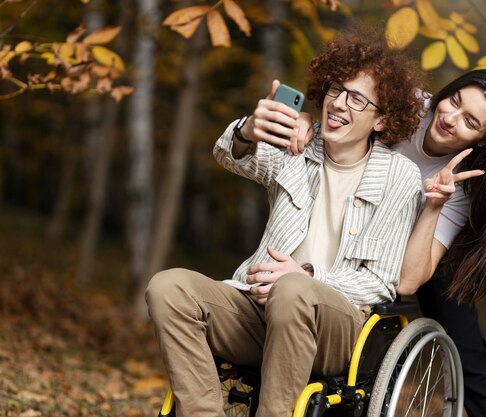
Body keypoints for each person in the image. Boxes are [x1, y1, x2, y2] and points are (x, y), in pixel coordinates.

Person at [145, 28, 426, 417]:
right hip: (259, 310)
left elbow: (379, 283)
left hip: (338, 326)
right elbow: (231, 155)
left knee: (294, 288)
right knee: (168, 287)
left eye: (357, 98)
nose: (339, 103)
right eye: (335, 90)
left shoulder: (400, 176)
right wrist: (248, 129)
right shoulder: (296, 145)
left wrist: (307, 275)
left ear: (381, 120)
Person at [394, 69, 486, 417]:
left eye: (470, 121)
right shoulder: (406, 105)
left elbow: (411, 280)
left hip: (429, 239)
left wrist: (435, 203)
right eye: (454, 101)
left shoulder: (466, 185)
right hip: (366, 224)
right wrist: (305, 120)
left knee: (463, 341)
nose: (449, 119)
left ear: (485, 141)